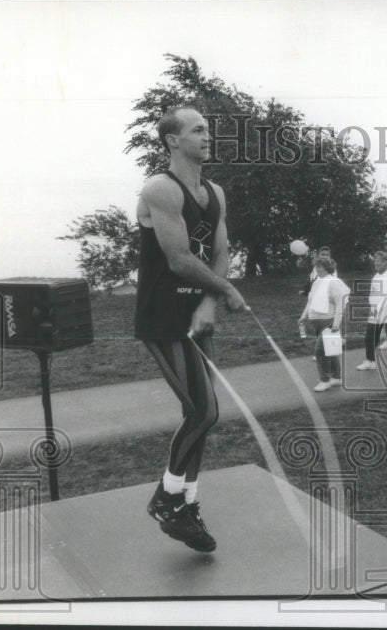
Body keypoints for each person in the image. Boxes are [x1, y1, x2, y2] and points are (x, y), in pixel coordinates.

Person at [137, 107, 249, 553]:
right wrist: (227, 292)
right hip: (163, 318)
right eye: (198, 130)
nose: (208, 136)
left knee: (199, 415)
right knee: (205, 412)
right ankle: (166, 498)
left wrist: (209, 300)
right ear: (172, 140)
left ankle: (188, 502)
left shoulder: (215, 191)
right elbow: (180, 258)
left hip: (196, 317)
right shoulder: (160, 189)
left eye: (208, 129)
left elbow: (220, 253)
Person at [298, 257, 350, 391]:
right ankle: (337, 377)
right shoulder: (316, 282)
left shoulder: (334, 282)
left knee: (320, 351)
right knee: (330, 350)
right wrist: (303, 316)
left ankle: (325, 380)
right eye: (316, 266)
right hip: (317, 323)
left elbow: (340, 303)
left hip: (329, 322)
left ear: (327, 267)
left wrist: (336, 324)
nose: (317, 269)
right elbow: (311, 302)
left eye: (320, 266)